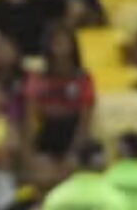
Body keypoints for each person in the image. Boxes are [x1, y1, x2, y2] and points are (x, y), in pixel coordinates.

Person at [24, 26, 95, 160]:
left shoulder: (83, 79)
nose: (61, 46)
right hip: (47, 131)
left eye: (64, 41)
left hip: (72, 132)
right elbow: (31, 118)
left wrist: (74, 152)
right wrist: (30, 153)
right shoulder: (38, 78)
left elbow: (85, 120)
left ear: (73, 46)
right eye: (56, 41)